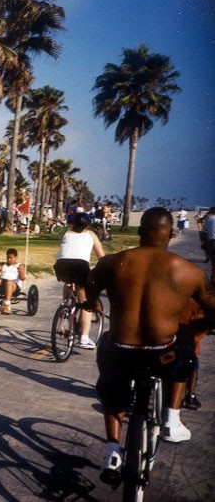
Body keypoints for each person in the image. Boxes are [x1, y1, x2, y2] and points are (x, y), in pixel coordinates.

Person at [83, 207, 215, 486]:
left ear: (141, 232)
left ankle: (112, 452)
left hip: (120, 350)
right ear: (171, 234)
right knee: (186, 348)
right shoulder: (190, 271)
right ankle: (172, 418)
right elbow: (210, 306)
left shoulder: (112, 263)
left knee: (112, 390)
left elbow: (90, 282)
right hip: (161, 354)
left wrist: (92, 301)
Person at [53, 213, 105, 349]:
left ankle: (65, 305)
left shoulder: (66, 233)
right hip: (80, 266)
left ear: (73, 223)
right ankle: (84, 338)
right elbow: (102, 257)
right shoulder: (91, 234)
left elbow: (65, 248)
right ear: (87, 225)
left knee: (68, 281)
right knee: (84, 301)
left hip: (61, 265)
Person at [202, 207, 215, 279]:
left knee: (213, 262)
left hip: (212, 241)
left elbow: (204, 230)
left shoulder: (208, 219)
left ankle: (212, 278)